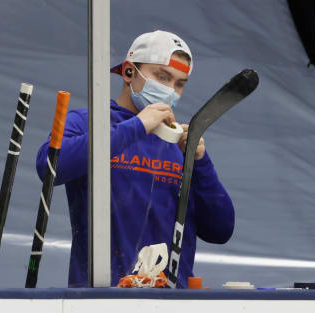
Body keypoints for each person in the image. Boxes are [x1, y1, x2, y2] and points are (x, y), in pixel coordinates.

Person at [36, 30, 235, 288]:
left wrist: (201, 163)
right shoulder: (89, 121)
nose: (170, 90)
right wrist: (138, 126)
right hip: (102, 299)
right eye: (162, 77)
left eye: (179, 83)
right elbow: (49, 167)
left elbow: (221, 230)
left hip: (173, 302)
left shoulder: (180, 142)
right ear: (129, 72)